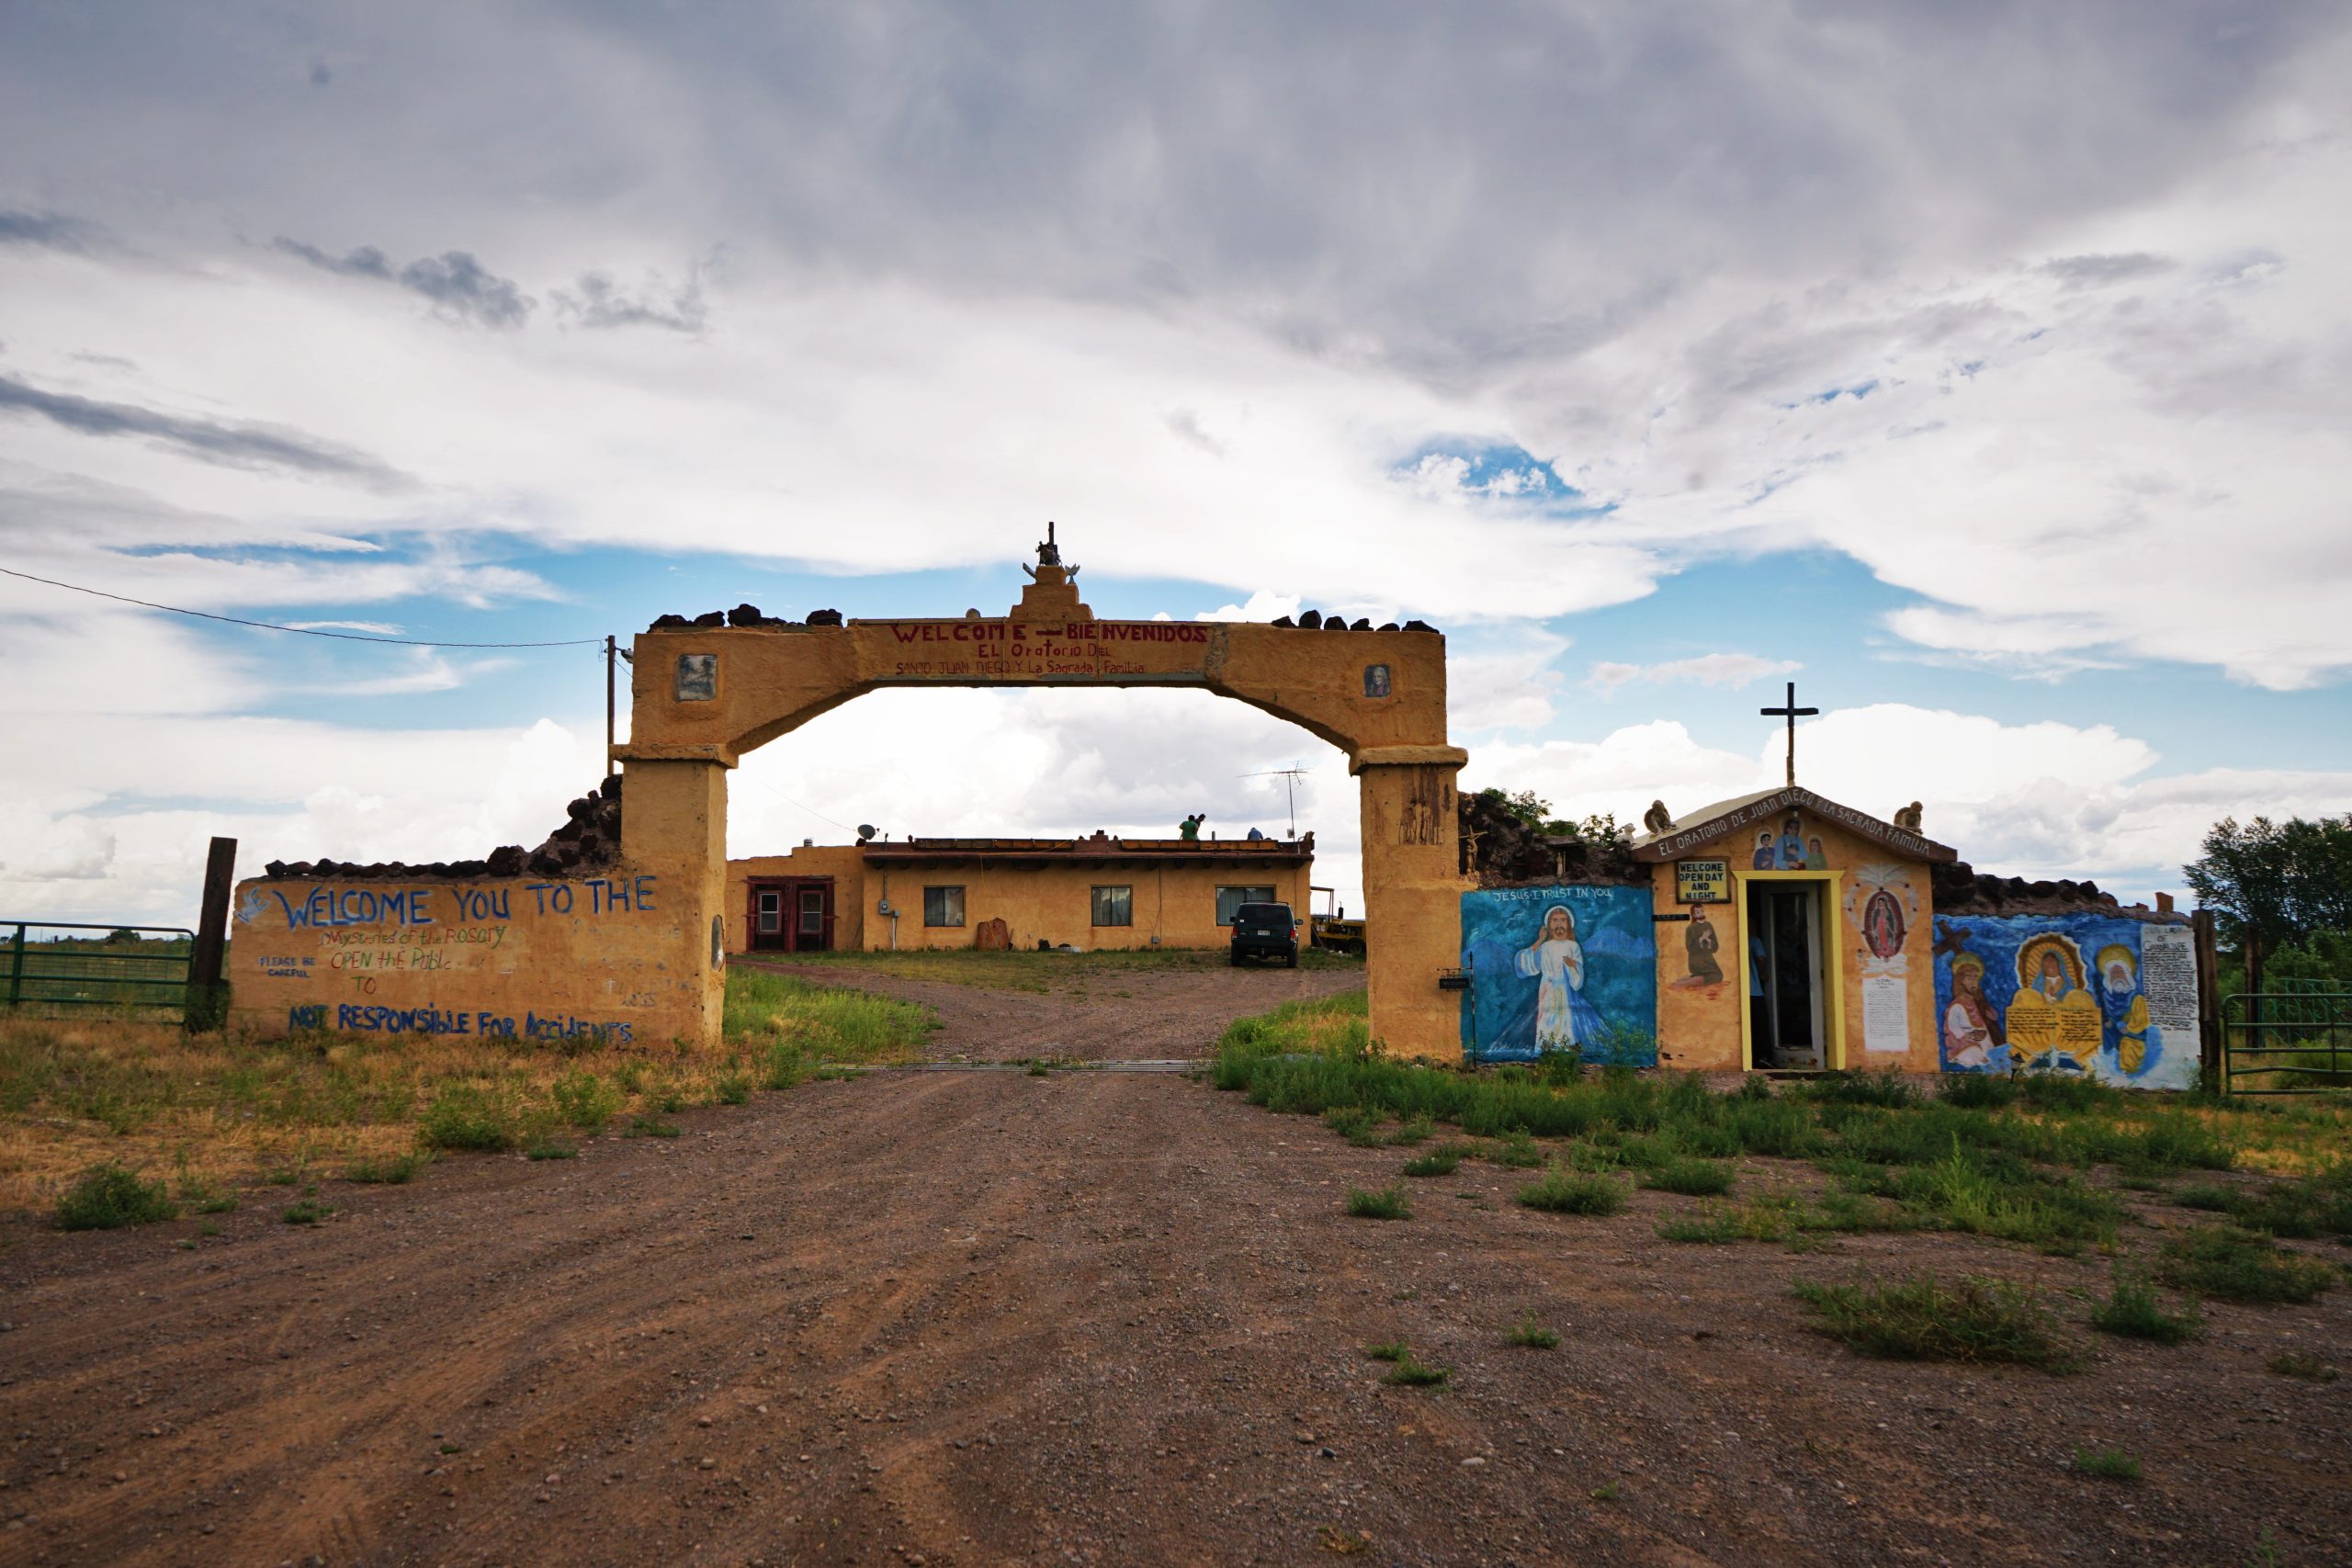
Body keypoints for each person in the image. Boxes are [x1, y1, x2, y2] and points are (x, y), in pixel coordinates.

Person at [1514, 905, 1604, 1052]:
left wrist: (1574, 964)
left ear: (1568, 924)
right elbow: (1530, 966)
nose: (1559, 924)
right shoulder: (1545, 946)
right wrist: (1540, 940)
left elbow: (1579, 971)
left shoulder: (1573, 946)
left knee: (1566, 1017)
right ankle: (1546, 1047)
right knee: (1548, 1017)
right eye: (1555, 920)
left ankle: (1566, 1046)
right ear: (1549, 925)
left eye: (1563, 920)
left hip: (1566, 989)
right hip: (1548, 989)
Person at [1943, 953, 2003, 1067]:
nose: (1973, 982)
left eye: (1976, 977)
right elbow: (1954, 1028)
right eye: (1969, 978)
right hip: (1965, 1047)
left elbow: (1991, 1018)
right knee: (1977, 1057)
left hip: (1985, 1044)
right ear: (1961, 981)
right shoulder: (1957, 1006)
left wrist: (1987, 1012)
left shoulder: (1978, 1003)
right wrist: (1969, 1037)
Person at [1683, 904, 1722, 985]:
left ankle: (1690, 980)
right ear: (1694, 915)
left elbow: (1715, 947)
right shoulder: (1690, 928)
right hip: (1696, 960)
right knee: (1716, 976)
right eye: (1698, 912)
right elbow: (1689, 948)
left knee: (1719, 975)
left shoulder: (1708, 925)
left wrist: (1708, 940)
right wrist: (1701, 938)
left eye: (1702, 911)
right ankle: (1688, 982)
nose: (1701, 913)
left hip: (1708, 958)